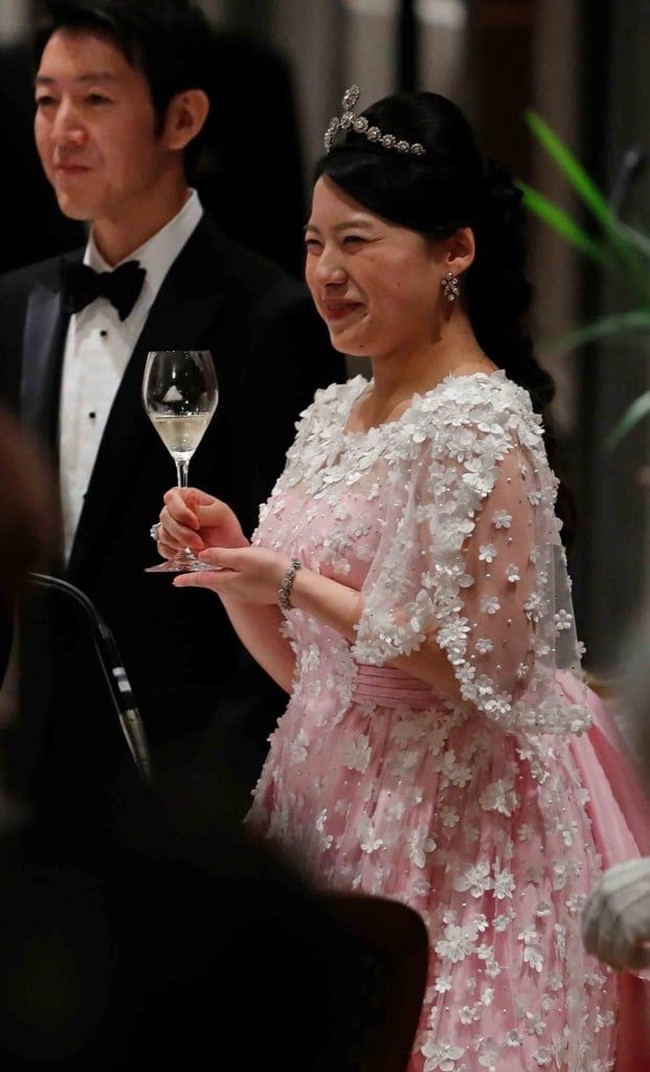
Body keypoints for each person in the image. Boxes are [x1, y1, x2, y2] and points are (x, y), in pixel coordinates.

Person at [153, 84, 650, 1069]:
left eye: (357, 241)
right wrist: (236, 565)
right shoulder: (333, 413)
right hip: (323, 815)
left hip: (458, 841)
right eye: (312, 243)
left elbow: (488, 675)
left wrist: (292, 580)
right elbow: (317, 677)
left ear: (451, 251)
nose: (325, 273)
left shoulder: (480, 421)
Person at [0, 0, 346, 805]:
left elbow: (282, 580)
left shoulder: (269, 318)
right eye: (47, 99)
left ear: (182, 118)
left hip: (184, 788)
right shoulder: (16, 306)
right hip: (28, 780)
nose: (62, 130)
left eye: (95, 99)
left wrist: (214, 801)